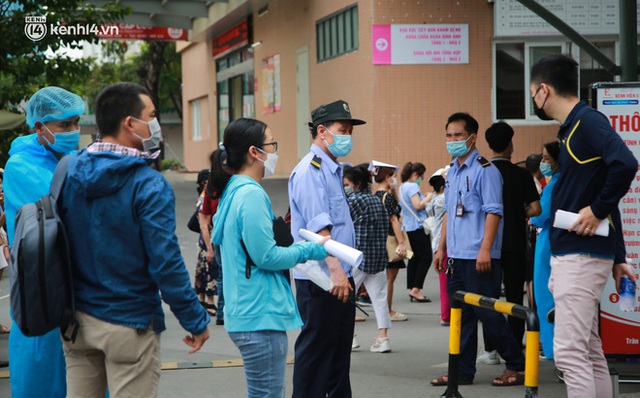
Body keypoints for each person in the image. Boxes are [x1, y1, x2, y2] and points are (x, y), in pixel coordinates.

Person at [58, 82, 210, 397]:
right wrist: (195, 319)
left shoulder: (68, 171)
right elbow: (165, 261)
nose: (155, 125)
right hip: (129, 324)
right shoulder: (148, 184)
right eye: (151, 116)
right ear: (130, 123)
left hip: (76, 321)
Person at [530, 54, 638, 398]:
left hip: (579, 256)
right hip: (584, 252)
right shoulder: (576, 128)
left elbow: (625, 163)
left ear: (544, 90)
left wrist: (597, 209)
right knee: (589, 351)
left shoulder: (586, 123)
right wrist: (618, 254)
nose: (533, 99)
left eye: (532, 92)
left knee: (569, 354)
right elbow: (611, 179)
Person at [209, 118, 328, 397]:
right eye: (271, 144)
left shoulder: (233, 191)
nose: (274, 150)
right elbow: (267, 256)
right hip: (259, 316)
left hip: (246, 313)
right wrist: (311, 249)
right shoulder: (250, 194)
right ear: (254, 152)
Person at [431, 112, 525, 387]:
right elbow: (449, 212)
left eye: (457, 135)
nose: (452, 140)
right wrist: (441, 248)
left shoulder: (486, 170)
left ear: (472, 138)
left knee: (488, 313)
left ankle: (516, 365)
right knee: (463, 317)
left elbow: (494, 212)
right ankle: (462, 371)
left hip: (479, 256)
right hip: (456, 257)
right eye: (448, 135)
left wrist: (486, 250)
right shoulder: (451, 172)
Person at [4, 86, 85, 397]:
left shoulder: (71, 159)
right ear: (39, 126)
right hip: (40, 285)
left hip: (75, 285)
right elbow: (67, 209)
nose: (73, 131)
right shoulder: (21, 166)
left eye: (76, 123)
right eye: (65, 125)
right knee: (43, 375)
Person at [289, 99, 365, 397]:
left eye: (349, 130)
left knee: (337, 354)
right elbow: (321, 230)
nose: (348, 136)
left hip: (339, 277)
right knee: (317, 353)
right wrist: (335, 271)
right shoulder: (311, 171)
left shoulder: (332, 170)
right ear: (322, 131)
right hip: (323, 279)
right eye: (342, 130)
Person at [478, 121, 541, 364]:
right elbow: (536, 208)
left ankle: (491, 349)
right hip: (515, 243)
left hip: (488, 245)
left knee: (488, 297)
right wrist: (518, 213)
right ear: (510, 144)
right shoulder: (522, 174)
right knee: (515, 297)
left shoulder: (482, 171)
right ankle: (515, 346)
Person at [343, 165, 392, 353]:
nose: (345, 187)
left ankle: (350, 338)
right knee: (380, 298)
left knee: (346, 297)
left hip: (356, 256)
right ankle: (383, 338)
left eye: (347, 184)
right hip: (378, 257)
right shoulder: (377, 200)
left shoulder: (353, 201)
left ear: (357, 183)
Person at [530, 141, 560, 360]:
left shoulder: (553, 185)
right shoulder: (571, 181)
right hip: (562, 242)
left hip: (549, 242)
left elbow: (539, 215)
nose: (543, 163)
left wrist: (530, 214)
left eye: (546, 158)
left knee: (546, 297)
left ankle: (550, 349)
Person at [371, 162, 409, 322]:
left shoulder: (374, 196)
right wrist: (402, 243)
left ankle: (385, 310)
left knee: (381, 279)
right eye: (393, 176)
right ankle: (388, 311)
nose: (395, 179)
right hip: (390, 242)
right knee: (389, 279)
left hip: (378, 241)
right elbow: (394, 220)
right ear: (387, 177)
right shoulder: (389, 199)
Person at [398, 162, 433, 302]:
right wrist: (429, 197)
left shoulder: (402, 187)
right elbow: (417, 205)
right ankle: (416, 289)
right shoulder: (412, 186)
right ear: (415, 174)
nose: (422, 178)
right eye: (421, 175)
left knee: (414, 257)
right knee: (425, 257)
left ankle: (412, 286)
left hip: (407, 226)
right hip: (417, 226)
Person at [425, 168, 450, 326]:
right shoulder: (445, 198)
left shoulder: (433, 200)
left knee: (444, 280)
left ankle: (445, 314)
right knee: (447, 280)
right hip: (445, 242)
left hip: (436, 241)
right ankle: (446, 315)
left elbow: (427, 211)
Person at [201, 166, 224, 326]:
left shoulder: (211, 187)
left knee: (222, 274)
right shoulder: (229, 183)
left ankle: (221, 312)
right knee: (232, 273)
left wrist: (209, 246)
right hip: (228, 234)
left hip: (216, 233)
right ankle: (226, 311)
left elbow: (206, 218)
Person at [193, 169, 217, 316]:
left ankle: (201, 299)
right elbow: (204, 225)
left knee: (202, 268)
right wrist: (210, 247)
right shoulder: (203, 200)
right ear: (204, 183)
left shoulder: (202, 198)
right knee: (208, 269)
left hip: (203, 239)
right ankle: (209, 301)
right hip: (207, 239)